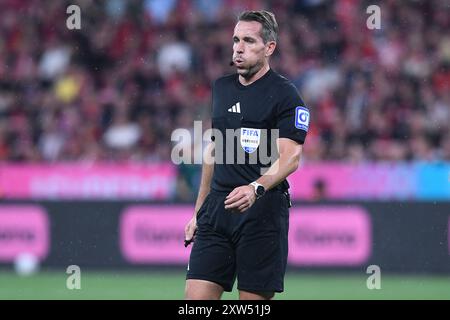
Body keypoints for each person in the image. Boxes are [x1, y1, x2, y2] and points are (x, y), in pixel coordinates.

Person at [184, 10, 309, 300]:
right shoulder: (222, 88)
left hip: (261, 214)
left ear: (269, 48)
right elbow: (214, 151)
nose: (238, 48)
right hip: (217, 211)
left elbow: (291, 157)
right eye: (236, 40)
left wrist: (256, 188)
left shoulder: (285, 95)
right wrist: (198, 212)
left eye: (249, 41)